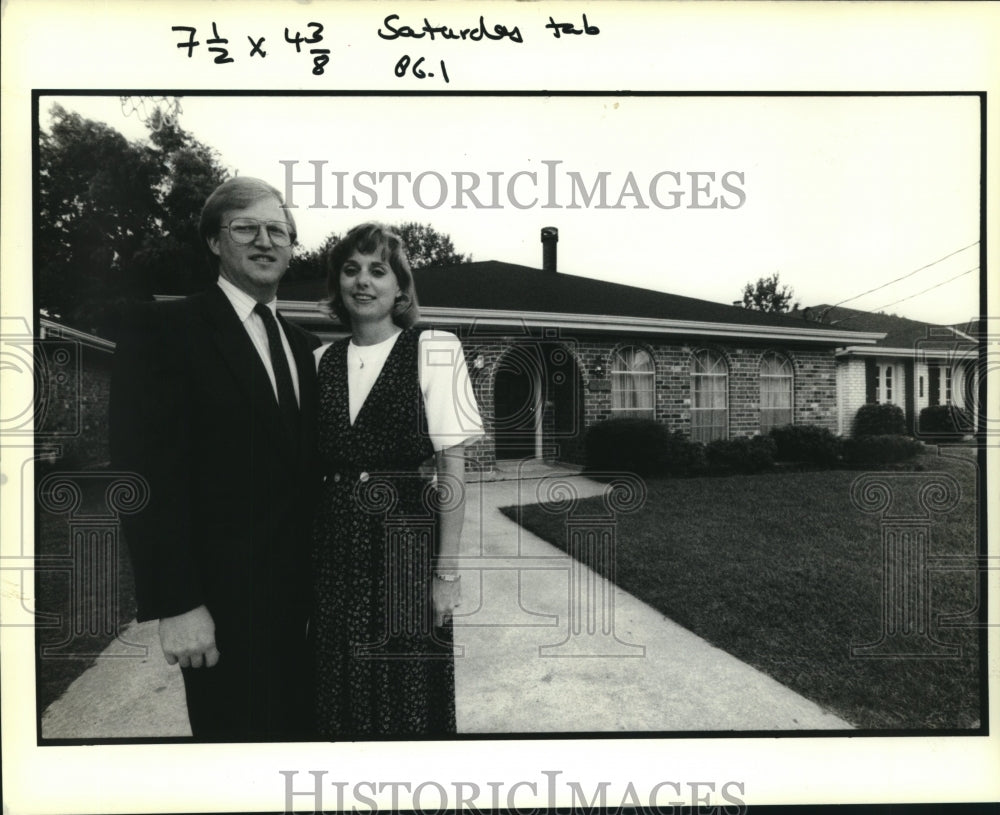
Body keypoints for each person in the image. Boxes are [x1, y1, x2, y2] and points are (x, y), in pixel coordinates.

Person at [110, 177, 321, 741]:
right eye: (245, 227)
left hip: (304, 613)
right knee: (235, 765)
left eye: (278, 230)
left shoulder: (301, 346)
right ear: (213, 240)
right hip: (219, 615)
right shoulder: (164, 329)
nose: (264, 241)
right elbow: (142, 475)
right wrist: (176, 604)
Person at [311, 223, 483, 738]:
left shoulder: (433, 348)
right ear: (338, 285)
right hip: (333, 551)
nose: (363, 281)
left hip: (403, 545)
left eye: (378, 270)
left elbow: (453, 468)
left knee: (405, 683)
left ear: (400, 289)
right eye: (351, 269)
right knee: (337, 684)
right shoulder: (320, 361)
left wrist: (445, 574)